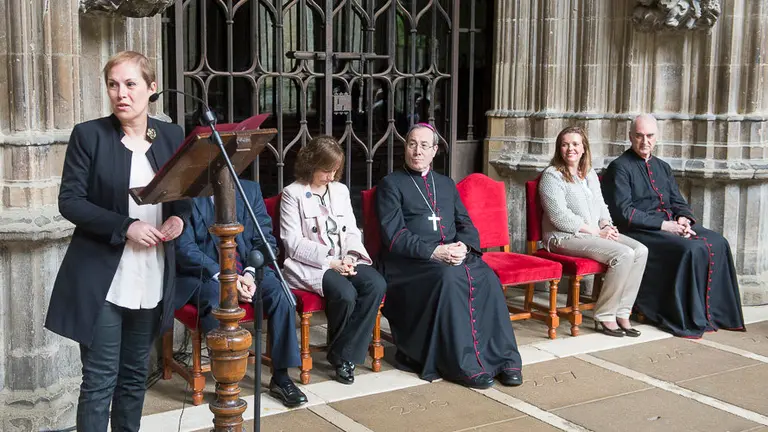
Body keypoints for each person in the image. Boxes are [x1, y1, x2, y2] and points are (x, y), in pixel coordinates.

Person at [44, 51, 190, 432]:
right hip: (104, 278)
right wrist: (125, 226)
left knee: (133, 378)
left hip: (151, 274)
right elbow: (70, 201)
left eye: (130, 84)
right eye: (113, 85)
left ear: (151, 88)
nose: (121, 94)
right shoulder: (89, 135)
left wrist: (178, 218)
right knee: (99, 382)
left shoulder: (171, 135)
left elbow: (184, 195)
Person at [375, 123, 523, 389]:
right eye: (411, 144)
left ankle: (503, 359)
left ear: (434, 151)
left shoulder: (445, 184)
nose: (416, 151)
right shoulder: (391, 184)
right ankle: (463, 363)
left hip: (452, 256)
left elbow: (465, 223)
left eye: (423, 146)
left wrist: (464, 247)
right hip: (409, 264)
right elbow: (394, 235)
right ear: (405, 147)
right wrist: (435, 252)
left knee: (487, 276)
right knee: (449, 277)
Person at [601, 114, 745, 338]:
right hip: (640, 231)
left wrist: (683, 219)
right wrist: (665, 226)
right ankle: (687, 316)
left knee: (719, 242)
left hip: (670, 225)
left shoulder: (663, 167)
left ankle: (717, 314)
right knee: (690, 249)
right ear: (630, 137)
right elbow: (624, 212)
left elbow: (678, 201)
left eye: (649, 136)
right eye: (639, 136)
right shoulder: (620, 167)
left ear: (656, 138)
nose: (644, 141)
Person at [174, 179, 307, 407]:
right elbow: (184, 248)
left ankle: (282, 378)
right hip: (206, 274)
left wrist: (250, 273)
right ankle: (225, 381)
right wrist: (227, 278)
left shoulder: (249, 189)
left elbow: (264, 238)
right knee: (218, 301)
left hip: (247, 270)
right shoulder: (186, 193)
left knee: (282, 295)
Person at [280, 136, 387, 385]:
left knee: (376, 285)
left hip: (344, 258)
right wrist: (331, 262)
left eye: (335, 170)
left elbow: (351, 229)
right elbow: (292, 243)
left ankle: (341, 352)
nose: (331, 176)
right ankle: (343, 362)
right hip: (312, 266)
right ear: (310, 164)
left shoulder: (340, 191)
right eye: (326, 170)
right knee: (345, 293)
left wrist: (350, 256)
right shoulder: (292, 194)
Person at [539, 126, 648, 337]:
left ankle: (622, 312)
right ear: (559, 148)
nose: (570, 148)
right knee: (623, 253)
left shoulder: (588, 172)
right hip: (562, 237)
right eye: (565, 144)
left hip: (592, 233)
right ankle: (605, 315)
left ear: (583, 148)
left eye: (575, 144)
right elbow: (559, 217)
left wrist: (606, 225)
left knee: (640, 250)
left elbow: (601, 204)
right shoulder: (552, 176)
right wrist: (596, 232)